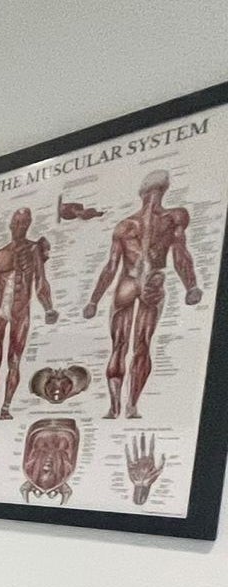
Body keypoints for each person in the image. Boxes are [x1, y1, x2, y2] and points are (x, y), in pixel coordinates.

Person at [84, 170, 203, 419]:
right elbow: (180, 255)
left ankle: (117, 406)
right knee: (141, 345)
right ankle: (130, 406)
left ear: (142, 192)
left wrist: (94, 300)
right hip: (151, 282)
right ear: (164, 189)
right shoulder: (173, 218)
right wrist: (190, 286)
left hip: (129, 282)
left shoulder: (126, 225)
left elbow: (111, 267)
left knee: (120, 345)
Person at [0, 207, 57, 420]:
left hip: (21, 312)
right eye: (17, 222)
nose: (20, 226)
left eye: (24, 223)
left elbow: (40, 282)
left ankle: (5, 407)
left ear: (29, 225)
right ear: (10, 225)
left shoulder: (34, 250)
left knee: (14, 360)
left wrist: (48, 307)